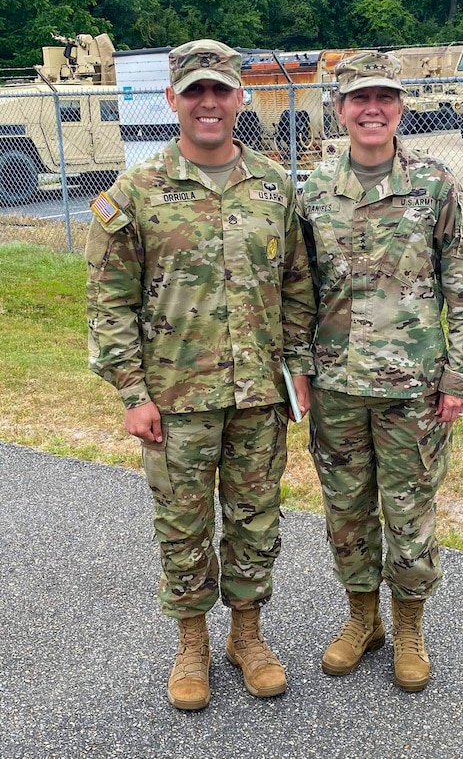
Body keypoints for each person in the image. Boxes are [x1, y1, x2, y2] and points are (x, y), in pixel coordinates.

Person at [85, 39, 316, 710]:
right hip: (175, 399)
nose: (209, 103)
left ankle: (247, 637)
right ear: (173, 101)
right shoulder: (135, 193)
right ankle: (192, 644)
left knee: (254, 522)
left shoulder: (273, 185)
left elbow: (298, 286)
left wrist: (295, 366)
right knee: (183, 528)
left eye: (221, 91)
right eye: (196, 92)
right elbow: (108, 301)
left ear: (239, 98)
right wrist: (131, 391)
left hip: (257, 397)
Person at [298, 51, 463, 692]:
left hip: (413, 389)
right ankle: (363, 620)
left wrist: (461, 378)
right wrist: (297, 370)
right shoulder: (311, 191)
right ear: (339, 109)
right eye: (359, 100)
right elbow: (294, 292)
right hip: (336, 388)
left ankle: (409, 624)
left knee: (410, 513)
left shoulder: (436, 184)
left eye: (384, 98)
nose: (372, 109)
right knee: (347, 512)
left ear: (401, 108)